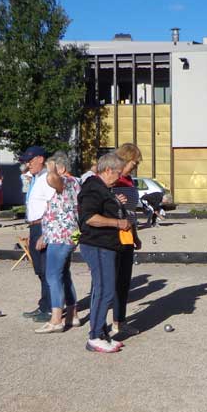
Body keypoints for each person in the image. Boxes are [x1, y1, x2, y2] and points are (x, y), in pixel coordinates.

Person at [77, 151, 131, 353]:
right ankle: (95, 336)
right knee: (104, 290)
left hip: (107, 245)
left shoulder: (103, 188)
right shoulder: (93, 188)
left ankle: (102, 333)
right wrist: (118, 223)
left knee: (107, 289)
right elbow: (90, 218)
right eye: (118, 173)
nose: (119, 177)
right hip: (97, 245)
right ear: (108, 170)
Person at [33, 151, 82, 333]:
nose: (47, 173)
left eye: (51, 168)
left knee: (53, 275)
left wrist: (51, 169)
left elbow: (52, 180)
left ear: (61, 168)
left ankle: (56, 320)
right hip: (68, 233)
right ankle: (72, 314)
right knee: (64, 274)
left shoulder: (66, 181)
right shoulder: (75, 182)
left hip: (60, 235)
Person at [110, 143, 143, 337]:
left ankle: (119, 321)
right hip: (112, 235)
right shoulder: (112, 180)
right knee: (109, 282)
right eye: (134, 163)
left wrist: (135, 235)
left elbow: (131, 212)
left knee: (123, 281)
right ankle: (98, 327)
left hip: (128, 234)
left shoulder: (129, 180)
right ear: (124, 159)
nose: (135, 166)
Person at [20, 146, 53, 322]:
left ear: (40, 159)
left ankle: (50, 309)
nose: (28, 164)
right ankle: (44, 305)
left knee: (47, 271)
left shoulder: (47, 178)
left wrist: (45, 233)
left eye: (30, 161)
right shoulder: (37, 178)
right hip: (34, 226)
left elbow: (52, 206)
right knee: (40, 270)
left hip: (43, 226)